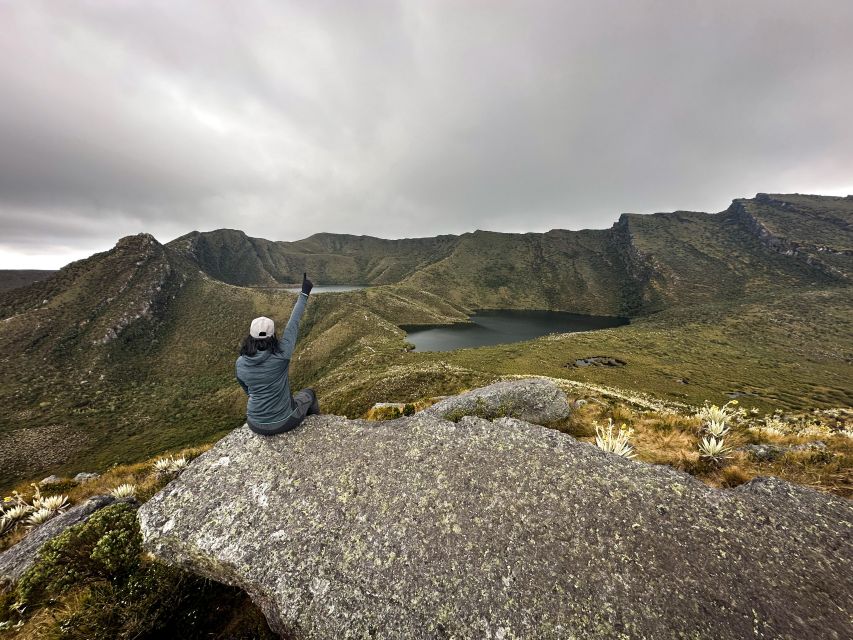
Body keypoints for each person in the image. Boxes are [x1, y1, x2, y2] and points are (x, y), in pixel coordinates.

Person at [236, 272, 319, 435]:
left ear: (250, 336)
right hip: (284, 422)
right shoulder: (282, 355)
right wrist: (304, 293)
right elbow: (293, 323)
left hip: (254, 423)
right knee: (309, 394)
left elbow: (247, 390)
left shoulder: (240, 363)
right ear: (273, 335)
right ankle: (316, 430)